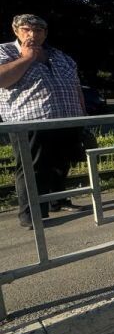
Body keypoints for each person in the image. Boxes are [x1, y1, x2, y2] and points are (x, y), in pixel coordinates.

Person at [0, 14, 86, 229]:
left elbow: (75, 87)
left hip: (67, 118)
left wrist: (84, 118)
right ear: (16, 30)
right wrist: (26, 58)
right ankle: (30, 214)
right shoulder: (6, 51)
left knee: (61, 163)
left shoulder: (59, 56)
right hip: (29, 122)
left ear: (45, 33)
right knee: (32, 168)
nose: (32, 34)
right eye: (27, 29)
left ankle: (57, 201)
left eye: (38, 30)